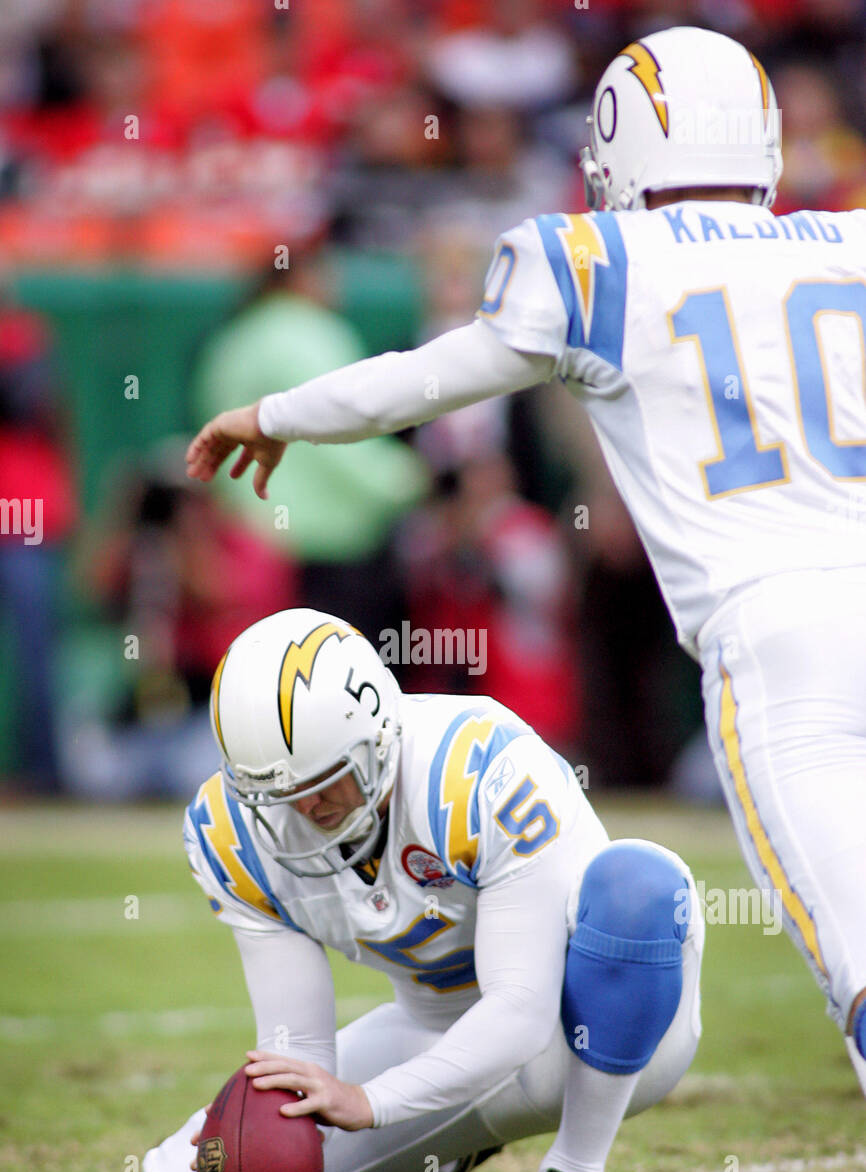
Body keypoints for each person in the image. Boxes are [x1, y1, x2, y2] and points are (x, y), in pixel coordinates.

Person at [185, 26, 866, 1098]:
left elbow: (411, 383)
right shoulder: (846, 242)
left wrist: (273, 413)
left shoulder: (592, 264)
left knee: (857, 962)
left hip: (773, 636)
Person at [132, 608, 704, 1172]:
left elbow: (521, 1010)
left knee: (638, 888)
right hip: (432, 1029)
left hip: (583, 1034)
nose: (305, 810)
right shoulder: (230, 832)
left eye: (325, 784)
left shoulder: (477, 770)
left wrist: (373, 1103)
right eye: (279, 796)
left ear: (378, 740)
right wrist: (263, 1146)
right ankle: (444, 1155)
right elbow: (298, 1054)